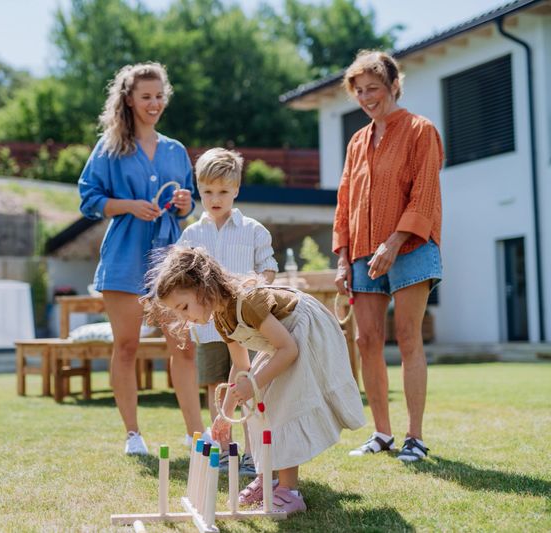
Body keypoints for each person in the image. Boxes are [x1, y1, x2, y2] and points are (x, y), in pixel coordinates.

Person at [143, 246, 365, 514]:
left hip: (306, 332)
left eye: (184, 307)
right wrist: (224, 415)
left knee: (281, 406)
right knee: (258, 408)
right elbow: (240, 365)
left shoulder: (247, 302)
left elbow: (289, 350)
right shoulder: (222, 319)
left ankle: (289, 491)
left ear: (202, 287)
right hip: (283, 344)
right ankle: (266, 478)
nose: (185, 317)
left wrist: (255, 383)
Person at [78, 62, 206, 455]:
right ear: (129, 99)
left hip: (170, 260)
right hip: (124, 258)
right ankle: (133, 435)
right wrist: (129, 205)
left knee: (183, 346)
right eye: (146, 96)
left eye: (159, 96)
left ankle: (195, 434)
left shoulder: (175, 150)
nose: (154, 104)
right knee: (128, 346)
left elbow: (185, 202)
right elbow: (89, 200)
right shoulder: (110, 147)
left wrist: (185, 202)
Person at [334, 50, 443, 462]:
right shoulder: (358, 141)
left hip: (412, 246)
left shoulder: (421, 130)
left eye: (373, 88)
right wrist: (343, 258)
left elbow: (425, 195)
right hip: (362, 252)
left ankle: (414, 437)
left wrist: (394, 242)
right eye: (359, 91)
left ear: (394, 86)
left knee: (409, 337)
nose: (366, 97)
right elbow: (344, 201)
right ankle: (382, 433)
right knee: (365, 340)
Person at [178, 148, 278, 476]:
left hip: (245, 328)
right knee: (216, 386)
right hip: (208, 328)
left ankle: (250, 455)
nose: (215, 198)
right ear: (199, 191)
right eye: (207, 192)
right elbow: (183, 277)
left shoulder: (253, 230)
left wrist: (257, 284)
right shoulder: (192, 234)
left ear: (236, 190)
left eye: (223, 191)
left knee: (246, 386)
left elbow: (268, 267)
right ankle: (222, 451)